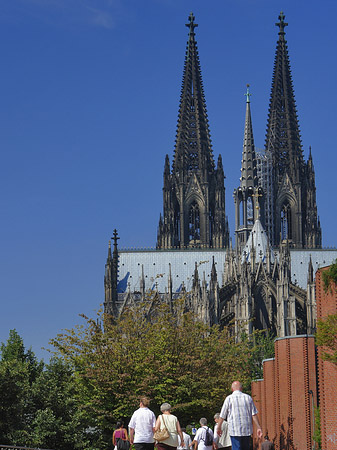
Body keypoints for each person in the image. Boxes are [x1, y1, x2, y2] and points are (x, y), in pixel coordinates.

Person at [217, 381, 262, 450]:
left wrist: (219, 427)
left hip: (234, 430)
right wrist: (258, 427)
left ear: (232, 389)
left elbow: (222, 415)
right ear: (241, 388)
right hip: (247, 430)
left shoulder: (229, 399)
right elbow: (254, 414)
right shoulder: (248, 398)